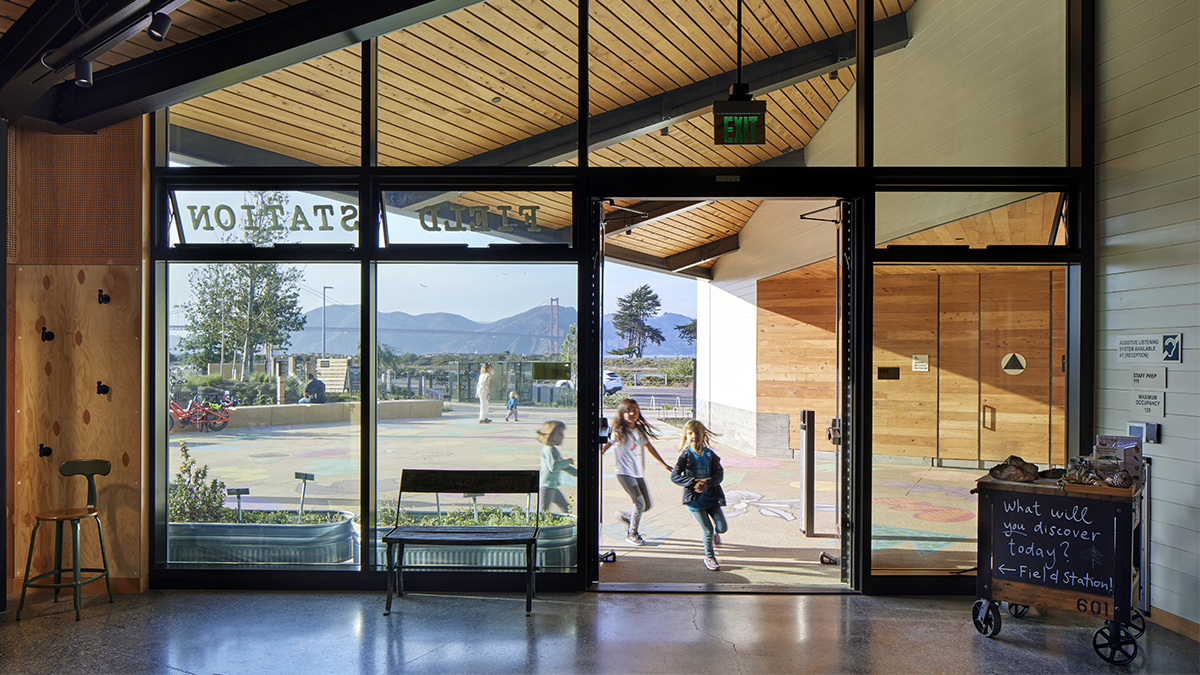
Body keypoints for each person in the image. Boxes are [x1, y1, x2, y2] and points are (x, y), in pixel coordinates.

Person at [600, 398, 670, 546]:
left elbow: (649, 447)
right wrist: (599, 452)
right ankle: (632, 534)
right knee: (639, 503)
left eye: (635, 410)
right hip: (624, 473)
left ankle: (627, 517)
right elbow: (608, 444)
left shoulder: (639, 430)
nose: (632, 413)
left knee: (647, 505)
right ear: (622, 413)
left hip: (637, 473)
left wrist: (664, 464)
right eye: (628, 411)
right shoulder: (618, 431)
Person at [670, 419, 727, 571]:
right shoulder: (685, 456)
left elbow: (719, 475)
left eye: (697, 433)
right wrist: (693, 482)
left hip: (712, 499)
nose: (694, 436)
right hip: (695, 502)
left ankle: (716, 535)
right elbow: (675, 476)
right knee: (707, 530)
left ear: (703, 435)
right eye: (690, 433)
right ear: (686, 436)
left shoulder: (710, 455)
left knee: (722, 527)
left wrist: (707, 483)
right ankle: (710, 557)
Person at [537, 420, 576, 513]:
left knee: (565, 508)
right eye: (560, 433)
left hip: (553, 487)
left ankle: (564, 524)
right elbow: (554, 466)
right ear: (550, 435)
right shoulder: (548, 449)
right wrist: (567, 461)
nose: (562, 436)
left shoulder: (553, 450)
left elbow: (563, 466)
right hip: (546, 488)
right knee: (544, 512)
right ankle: (545, 526)